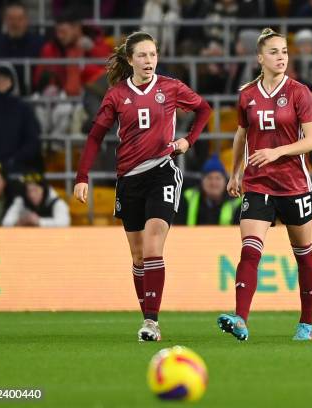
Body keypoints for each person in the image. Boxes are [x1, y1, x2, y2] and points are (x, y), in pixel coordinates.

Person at [73, 31, 211, 342]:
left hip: (162, 173)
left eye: (153, 55)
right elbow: (95, 137)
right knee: (138, 256)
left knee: (151, 248)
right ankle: (146, 317)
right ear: (130, 60)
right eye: (142, 55)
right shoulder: (116, 95)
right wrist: (82, 177)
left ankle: (151, 322)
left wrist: (188, 140)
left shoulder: (171, 87)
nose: (149, 61)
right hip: (128, 179)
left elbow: (204, 109)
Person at [217, 28, 312, 342]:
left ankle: (306, 321)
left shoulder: (300, 92)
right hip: (258, 183)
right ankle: (241, 319)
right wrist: (235, 172)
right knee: (250, 251)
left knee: (303, 254)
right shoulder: (247, 94)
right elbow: (241, 134)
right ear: (260, 58)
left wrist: (278, 151)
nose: (281, 57)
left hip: (294, 184)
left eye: (284, 52)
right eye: (274, 52)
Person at [0, 2, 44, 95]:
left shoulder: (39, 44)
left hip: (32, 95)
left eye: (19, 19)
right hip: (0, 96)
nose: (15, 23)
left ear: (27, 20)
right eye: (11, 19)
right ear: (5, 20)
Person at [176, 154, 242, 226]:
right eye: (209, 178)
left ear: (225, 181)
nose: (213, 183)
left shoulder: (237, 203)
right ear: (202, 181)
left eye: (218, 178)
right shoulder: (187, 198)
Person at [2, 172, 70, 227]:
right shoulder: (21, 200)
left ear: (44, 190)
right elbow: (6, 223)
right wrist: (20, 222)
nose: (32, 195)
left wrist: (38, 221)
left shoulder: (56, 201)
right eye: (29, 191)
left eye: (36, 190)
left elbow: (64, 223)